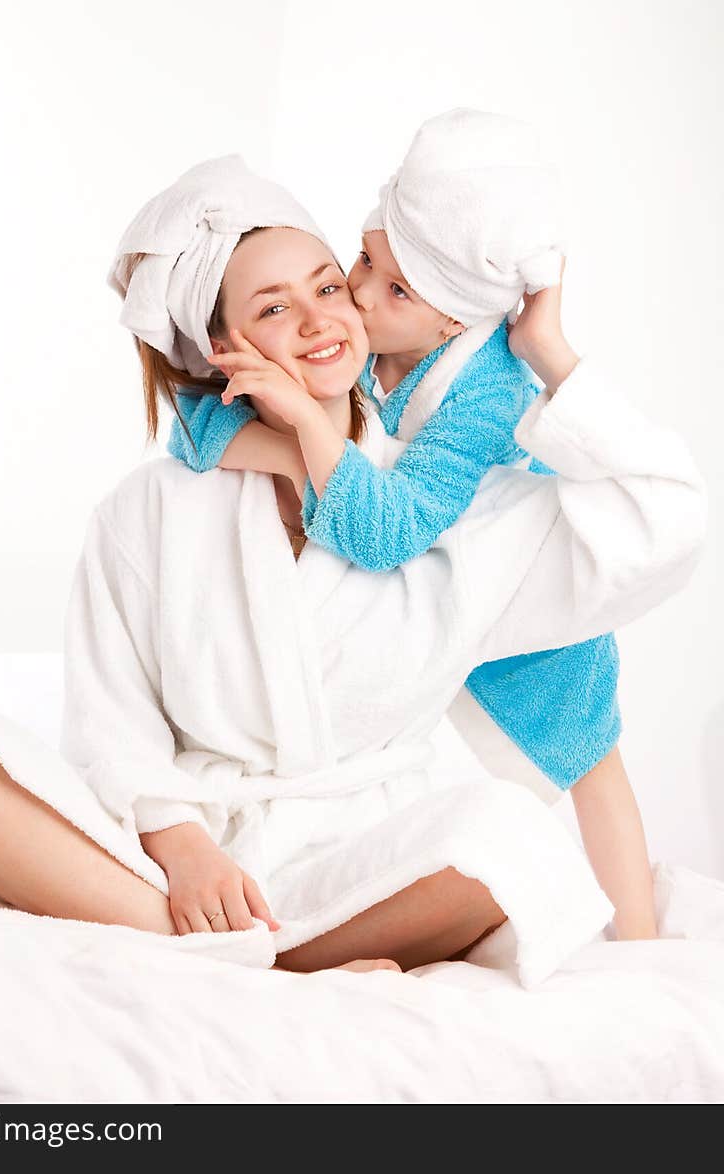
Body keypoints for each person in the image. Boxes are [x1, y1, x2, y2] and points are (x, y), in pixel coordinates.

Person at [0, 156, 705, 985]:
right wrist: (184, 850)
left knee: (515, 841)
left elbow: (664, 517)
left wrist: (547, 349)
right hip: (186, 860)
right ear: (221, 347)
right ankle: (255, 952)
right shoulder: (147, 511)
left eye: (329, 287)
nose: (318, 321)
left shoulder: (449, 505)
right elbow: (111, 719)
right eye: (274, 307)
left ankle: (253, 958)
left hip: (368, 868)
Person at [163, 111, 653, 939]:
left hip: (526, 621)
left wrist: (307, 434)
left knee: (591, 758)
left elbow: (389, 532)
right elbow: (191, 422)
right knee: (416, 801)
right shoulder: (364, 344)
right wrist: (285, 446)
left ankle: (640, 942)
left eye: (391, 290)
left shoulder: (485, 387)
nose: (353, 293)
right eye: (361, 260)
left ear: (457, 321)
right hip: (421, 625)